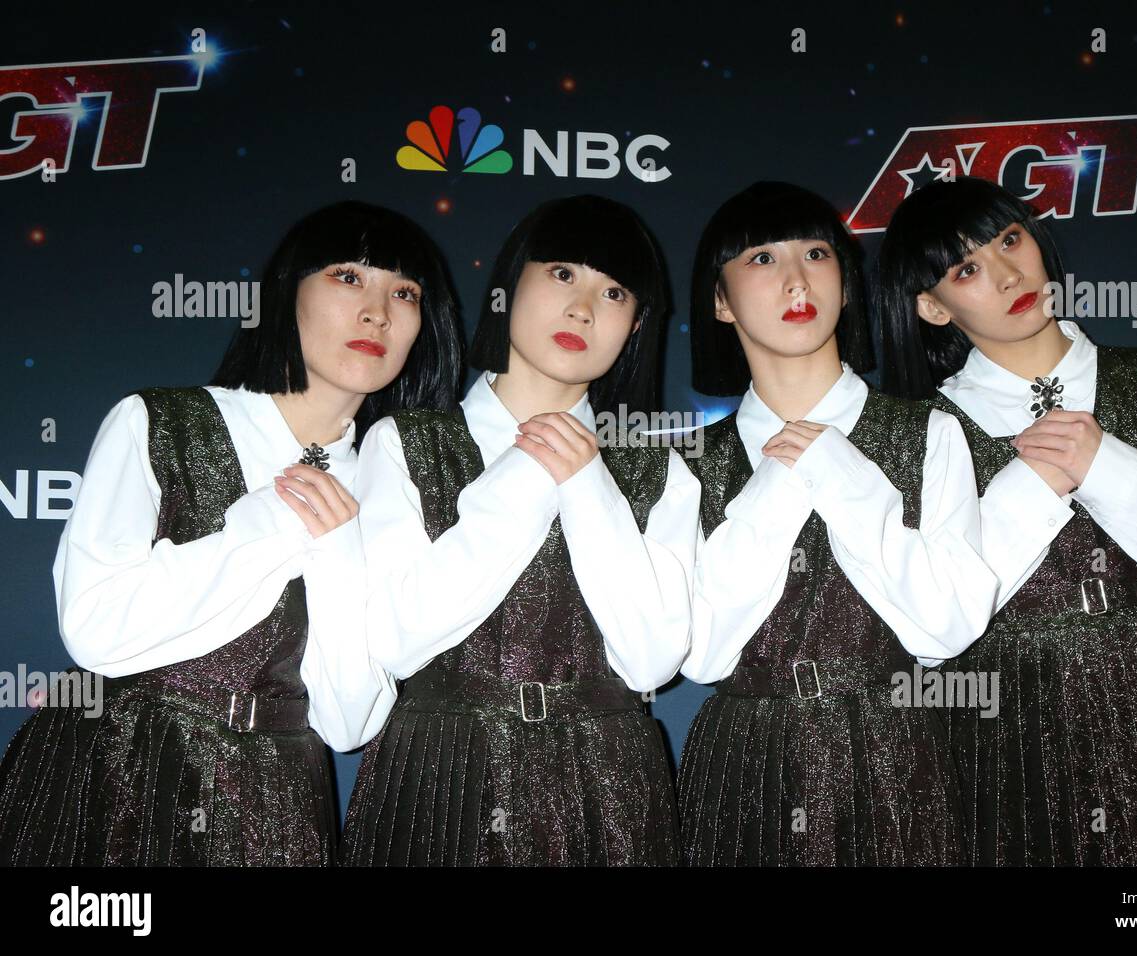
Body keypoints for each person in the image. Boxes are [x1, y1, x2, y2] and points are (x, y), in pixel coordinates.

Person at [0, 200, 463, 866]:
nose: (377, 312)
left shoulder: (394, 481)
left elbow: (348, 721)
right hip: (117, 772)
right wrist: (278, 522)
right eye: (347, 277)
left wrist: (335, 552)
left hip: (276, 799)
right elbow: (97, 626)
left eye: (404, 292)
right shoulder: (162, 422)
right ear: (288, 292)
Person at [875, 175, 1137, 865]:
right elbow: (927, 624)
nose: (1005, 274)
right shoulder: (918, 430)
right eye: (966, 269)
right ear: (933, 308)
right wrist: (1036, 485)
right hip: (999, 714)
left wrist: (1107, 468)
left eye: (1010, 240)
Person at [340, 195, 699, 866]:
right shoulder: (406, 443)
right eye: (562, 273)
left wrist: (588, 484)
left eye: (614, 292)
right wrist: (528, 471)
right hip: (441, 770)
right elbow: (395, 637)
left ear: (638, 325)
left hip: (609, 784)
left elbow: (652, 659)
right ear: (508, 287)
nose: (583, 307)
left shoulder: (658, 470)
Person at [676, 181, 999, 866]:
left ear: (847, 283)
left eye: (816, 253)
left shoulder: (927, 433)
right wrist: (780, 486)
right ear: (720, 301)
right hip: (744, 765)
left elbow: (946, 626)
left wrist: (842, 474)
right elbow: (700, 653)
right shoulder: (686, 463)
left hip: (900, 757)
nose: (796, 279)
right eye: (761, 259)